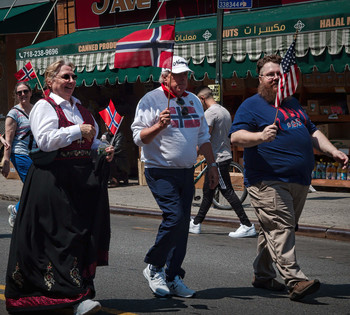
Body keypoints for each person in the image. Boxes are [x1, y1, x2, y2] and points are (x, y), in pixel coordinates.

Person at [229, 54, 348, 301]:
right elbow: (236, 137)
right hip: (267, 180)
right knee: (281, 227)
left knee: (272, 229)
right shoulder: (251, 105)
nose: (275, 78)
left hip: (300, 181)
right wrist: (260, 137)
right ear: (260, 78)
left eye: (278, 74)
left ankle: (262, 275)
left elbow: (312, 131)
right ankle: (295, 280)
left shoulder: (292, 103)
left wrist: (333, 150)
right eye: (270, 74)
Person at [5, 59, 114, 315]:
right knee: (63, 238)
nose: (71, 81)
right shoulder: (44, 106)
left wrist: (103, 148)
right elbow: (44, 141)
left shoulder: (80, 107)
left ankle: (81, 291)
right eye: (65, 76)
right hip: (54, 180)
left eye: (73, 76)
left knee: (82, 236)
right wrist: (77, 130)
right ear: (50, 81)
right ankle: (73, 298)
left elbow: (91, 139)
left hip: (80, 181)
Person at [131, 56, 219, 298]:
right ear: (165, 77)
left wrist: (212, 165)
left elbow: (203, 137)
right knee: (175, 218)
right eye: (177, 75)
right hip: (160, 170)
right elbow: (138, 138)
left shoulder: (193, 100)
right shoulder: (150, 100)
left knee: (181, 226)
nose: (182, 79)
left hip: (186, 171)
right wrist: (158, 126)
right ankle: (155, 266)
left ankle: (172, 276)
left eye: (185, 75)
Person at [189, 86, 257, 238]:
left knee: (227, 191)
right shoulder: (224, 111)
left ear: (201, 99)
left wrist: (193, 153)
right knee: (208, 192)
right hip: (222, 156)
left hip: (217, 159)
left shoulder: (210, 113)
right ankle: (196, 223)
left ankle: (247, 224)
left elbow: (205, 137)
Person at [1, 82, 34, 228]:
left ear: (30, 92)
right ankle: (17, 210)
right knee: (33, 186)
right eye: (19, 93)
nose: (22, 95)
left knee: (36, 186)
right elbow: (8, 141)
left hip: (36, 154)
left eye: (25, 91)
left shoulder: (35, 110)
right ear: (16, 95)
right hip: (20, 154)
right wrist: (6, 160)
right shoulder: (13, 114)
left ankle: (19, 210)